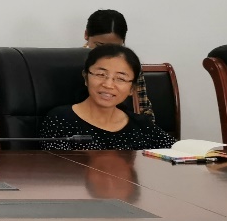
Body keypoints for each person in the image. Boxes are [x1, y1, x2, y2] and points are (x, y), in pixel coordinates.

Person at [40, 44, 174, 151]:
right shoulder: (60, 120)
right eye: (101, 74)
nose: (108, 85)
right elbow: (58, 169)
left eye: (120, 78)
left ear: (132, 89)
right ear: (86, 77)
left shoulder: (142, 125)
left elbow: (179, 153)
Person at [83, 9, 154, 118]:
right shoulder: (70, 62)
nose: (107, 53)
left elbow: (143, 106)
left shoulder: (129, 65)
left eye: (115, 47)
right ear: (86, 35)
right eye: (100, 46)